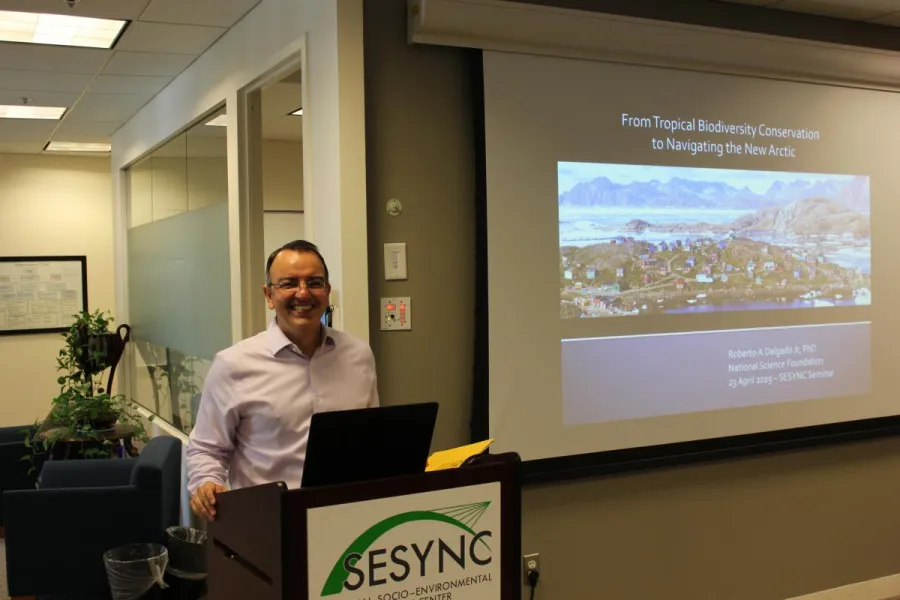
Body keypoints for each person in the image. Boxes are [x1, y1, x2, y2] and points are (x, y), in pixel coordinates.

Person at [186, 240, 378, 520]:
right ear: (268, 295)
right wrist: (206, 482)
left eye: (314, 282)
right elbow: (207, 448)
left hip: (347, 516)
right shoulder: (234, 364)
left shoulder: (359, 355)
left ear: (326, 291)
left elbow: (371, 437)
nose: (303, 293)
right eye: (289, 283)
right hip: (268, 521)